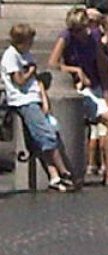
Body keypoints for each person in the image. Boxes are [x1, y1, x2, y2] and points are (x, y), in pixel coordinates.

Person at [49, 7, 108, 189]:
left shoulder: (93, 37)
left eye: (80, 29)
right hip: (79, 89)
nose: (78, 34)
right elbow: (53, 63)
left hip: (95, 87)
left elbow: (103, 67)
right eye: (75, 30)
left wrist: (107, 94)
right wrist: (75, 70)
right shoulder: (67, 36)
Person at [2, 24, 77, 191]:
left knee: (41, 138)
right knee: (47, 136)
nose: (32, 44)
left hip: (33, 98)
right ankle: (64, 172)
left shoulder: (25, 54)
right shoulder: (10, 57)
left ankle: (54, 176)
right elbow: (20, 81)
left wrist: (44, 100)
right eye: (29, 41)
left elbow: (36, 81)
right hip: (23, 100)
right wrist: (30, 71)